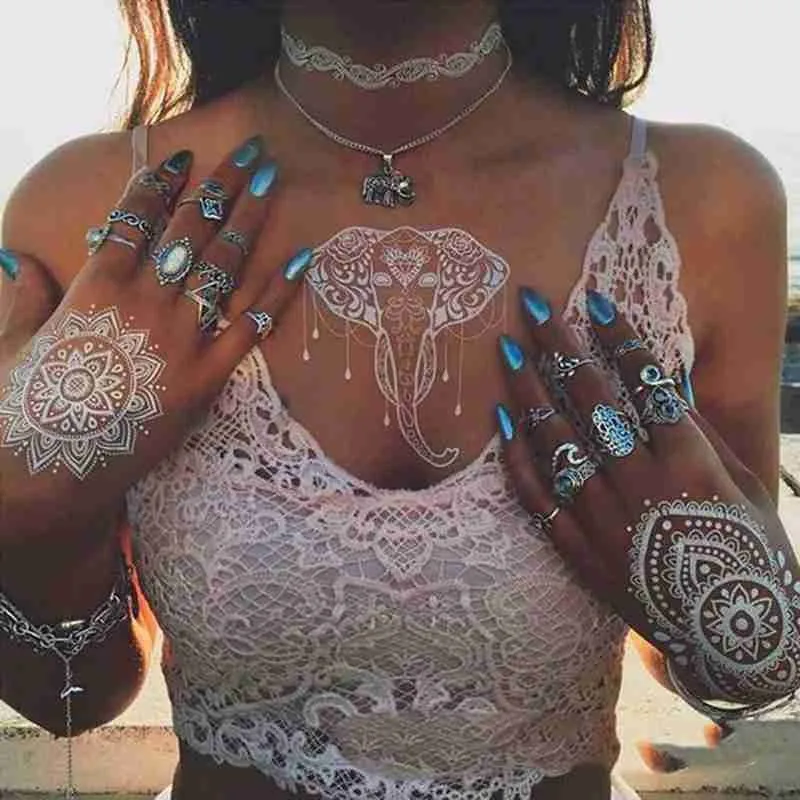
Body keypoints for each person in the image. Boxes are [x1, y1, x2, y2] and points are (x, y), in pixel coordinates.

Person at [0, 2, 794, 799]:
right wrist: (27, 508)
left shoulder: (705, 201)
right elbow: (75, 697)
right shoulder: (86, 206)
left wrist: (720, 593)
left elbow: (727, 663)